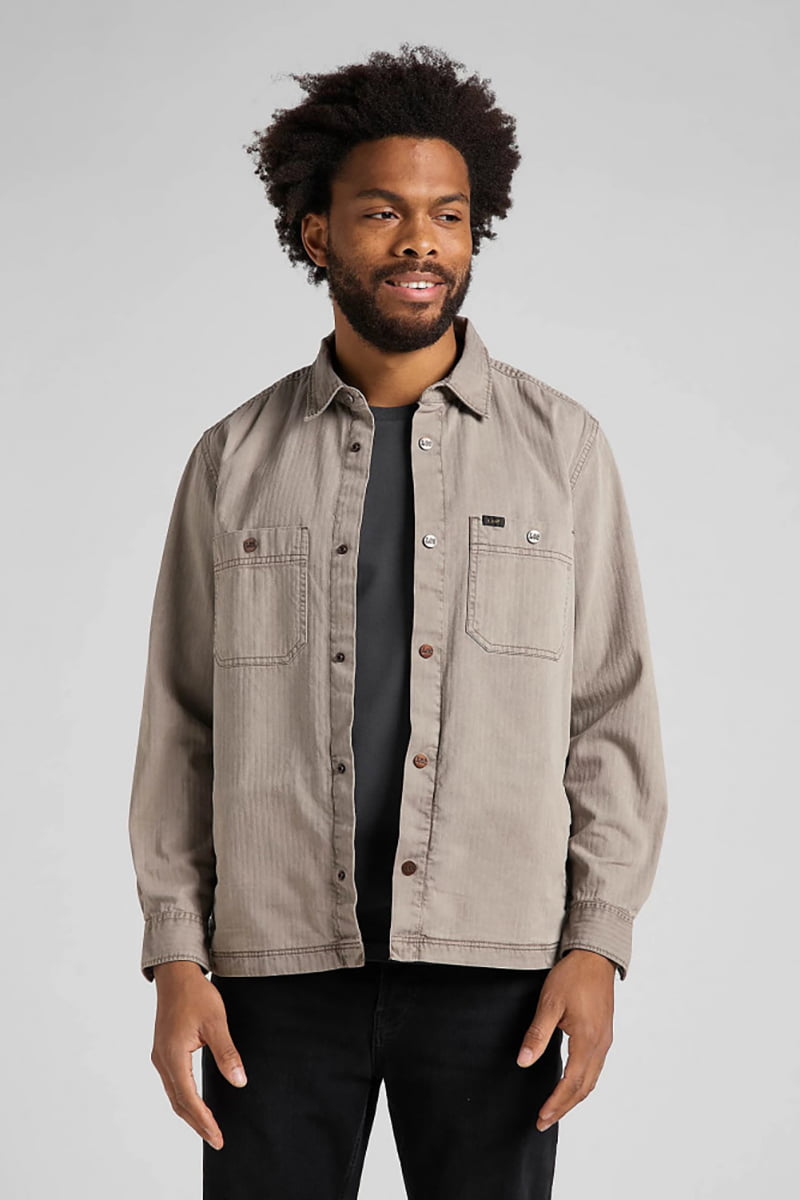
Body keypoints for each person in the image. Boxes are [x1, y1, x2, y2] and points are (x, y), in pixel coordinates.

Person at [128, 42, 668, 1200]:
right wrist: (175, 951)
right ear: (317, 234)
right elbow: (181, 726)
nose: (421, 241)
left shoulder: (562, 451)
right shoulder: (232, 461)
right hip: (272, 972)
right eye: (382, 212)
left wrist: (595, 941)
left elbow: (608, 711)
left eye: (447, 216)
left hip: (498, 974)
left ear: (475, 234)